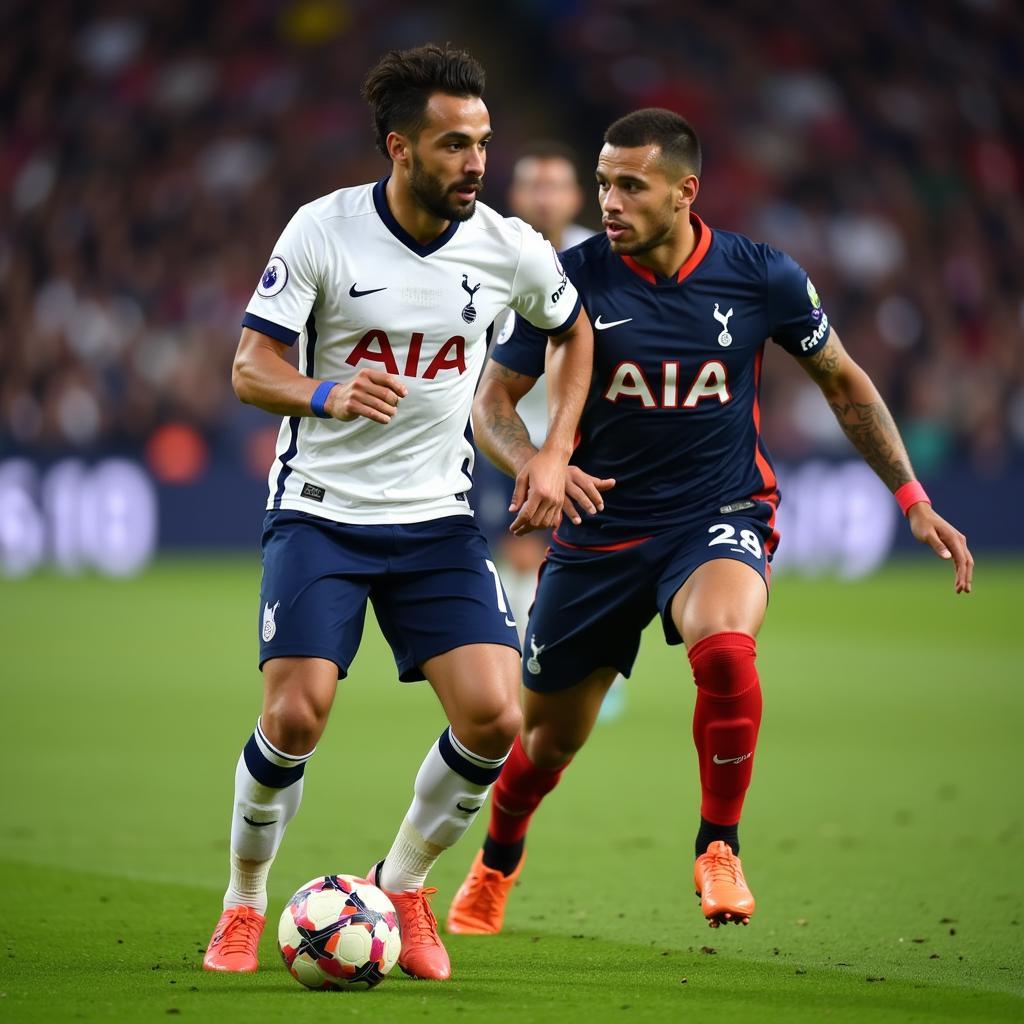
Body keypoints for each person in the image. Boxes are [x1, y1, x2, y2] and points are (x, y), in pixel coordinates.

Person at [446, 108, 973, 937]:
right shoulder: (567, 278)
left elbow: (844, 383)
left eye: (630, 185)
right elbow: (493, 404)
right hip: (598, 533)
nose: (609, 201)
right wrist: (536, 465)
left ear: (686, 192)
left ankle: (718, 845)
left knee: (725, 647)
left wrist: (913, 500)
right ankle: (497, 860)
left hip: (717, 514)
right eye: (603, 184)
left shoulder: (762, 276)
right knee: (545, 742)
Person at [201, 43, 593, 981]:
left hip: (437, 518)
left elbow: (570, 330)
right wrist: (324, 393)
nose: (475, 163)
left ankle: (405, 882)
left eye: (483, 143)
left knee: (498, 717)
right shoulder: (323, 231)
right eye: (454, 144)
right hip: (321, 514)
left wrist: (554, 449)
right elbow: (249, 369)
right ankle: (245, 904)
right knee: (296, 717)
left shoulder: (508, 247)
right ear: (400, 148)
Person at [479, 142, 597, 633]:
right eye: (534, 186)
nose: (544, 198)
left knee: (587, 553)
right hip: (511, 430)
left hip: (585, 432)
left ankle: (577, 659)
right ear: (515, 195)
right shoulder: (485, 257)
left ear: (576, 198)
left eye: (555, 187)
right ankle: (526, 655)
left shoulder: (600, 260)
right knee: (521, 549)